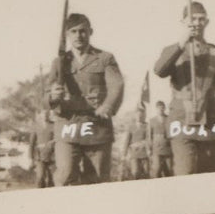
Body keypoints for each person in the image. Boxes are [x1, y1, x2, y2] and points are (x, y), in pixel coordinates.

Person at [153, 1, 215, 176]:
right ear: (183, 22)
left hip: (210, 119)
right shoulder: (172, 51)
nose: (197, 23)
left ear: (207, 22)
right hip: (181, 120)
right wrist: (181, 43)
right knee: (185, 172)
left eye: (201, 19)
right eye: (192, 19)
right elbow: (159, 70)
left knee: (210, 174)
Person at [45, 12, 124, 186]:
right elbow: (45, 94)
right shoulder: (59, 62)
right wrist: (52, 96)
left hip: (96, 125)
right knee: (64, 176)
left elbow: (116, 86)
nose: (78, 35)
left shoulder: (105, 58)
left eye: (82, 31)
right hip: (68, 125)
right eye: (73, 31)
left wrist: (108, 106)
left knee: (97, 180)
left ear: (90, 32)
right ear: (67, 35)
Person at [121, 111, 151, 180]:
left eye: (141, 115)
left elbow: (148, 138)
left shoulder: (146, 126)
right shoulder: (131, 126)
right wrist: (124, 154)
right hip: (134, 153)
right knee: (135, 172)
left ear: (143, 116)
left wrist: (148, 148)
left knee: (146, 173)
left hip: (144, 152)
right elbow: (127, 141)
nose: (139, 117)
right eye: (137, 115)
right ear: (135, 116)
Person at [147, 100, 172, 178]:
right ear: (156, 109)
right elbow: (149, 136)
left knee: (169, 170)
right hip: (156, 148)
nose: (161, 109)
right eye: (159, 108)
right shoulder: (152, 120)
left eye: (162, 108)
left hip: (168, 147)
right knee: (156, 169)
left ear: (164, 108)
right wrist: (149, 149)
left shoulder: (169, 119)